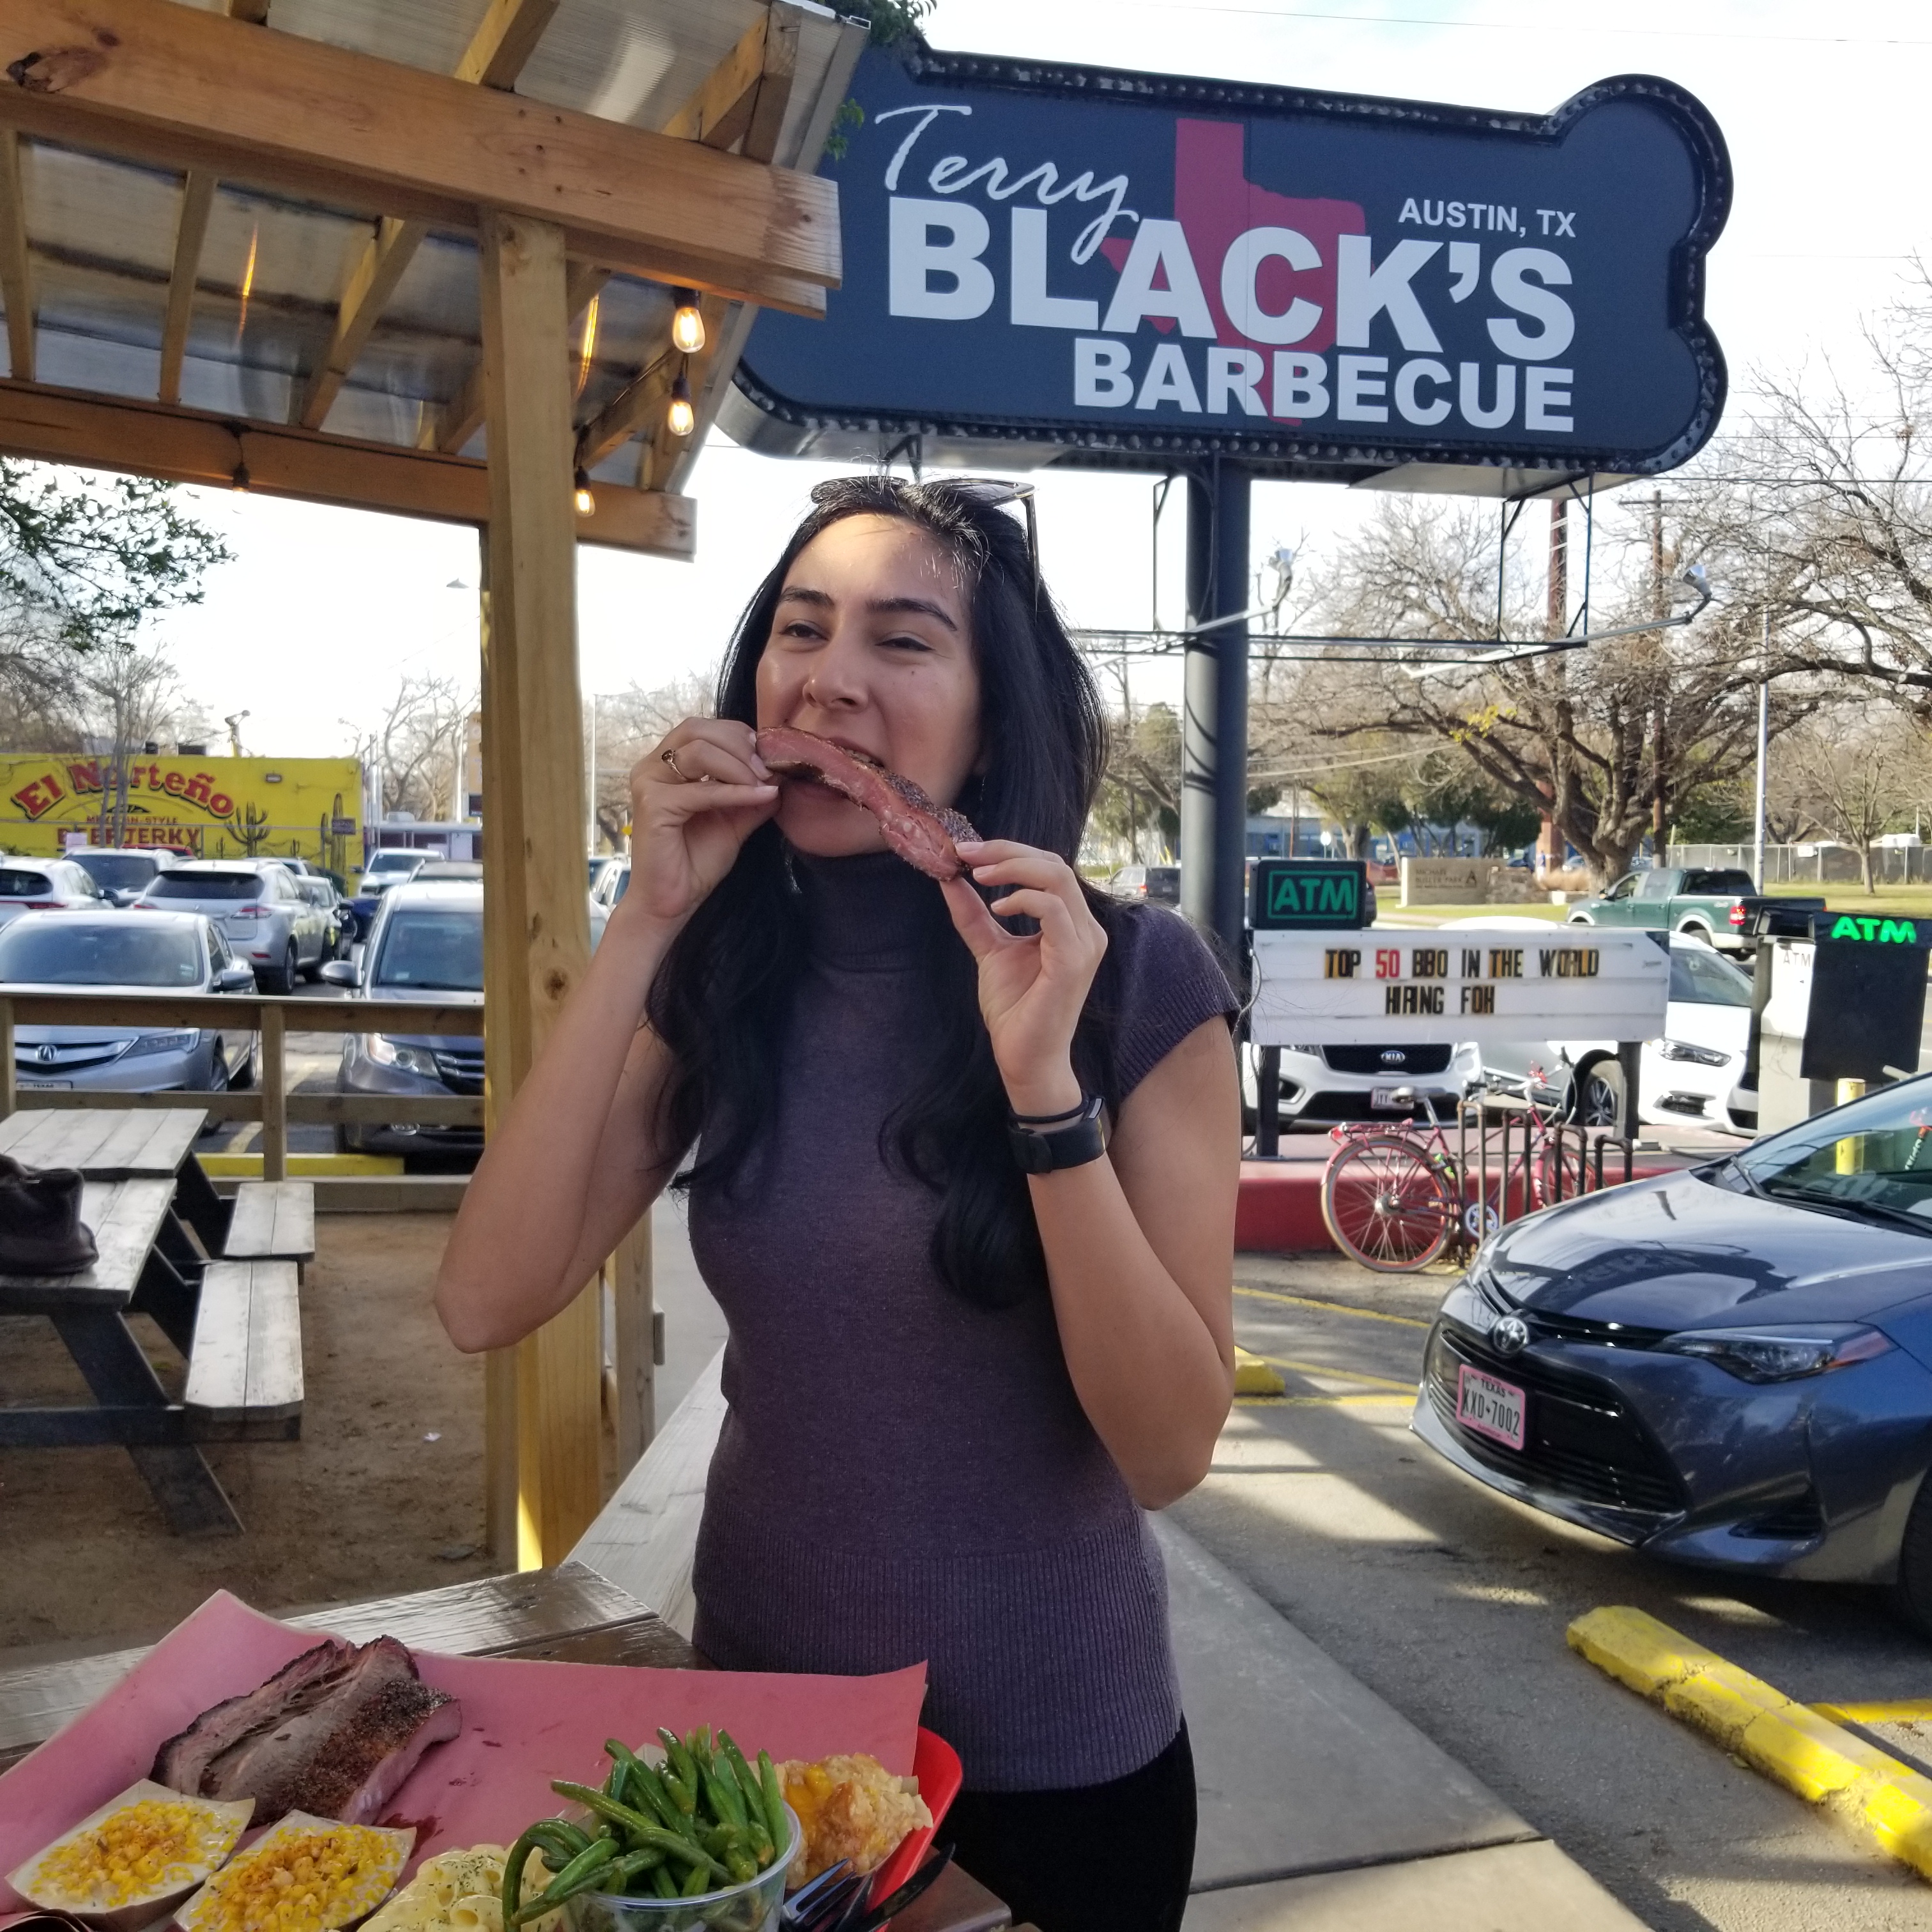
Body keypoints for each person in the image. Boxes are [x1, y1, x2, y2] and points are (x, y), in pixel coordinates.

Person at [436, 475, 1239, 1932]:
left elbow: (1171, 1446)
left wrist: (1043, 1088)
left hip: (1056, 1774)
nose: (829, 683)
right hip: (760, 1770)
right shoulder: (731, 977)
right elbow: (488, 1298)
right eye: (800, 633)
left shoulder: (1134, 977)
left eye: (905, 642)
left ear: (998, 720)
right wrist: (649, 917)